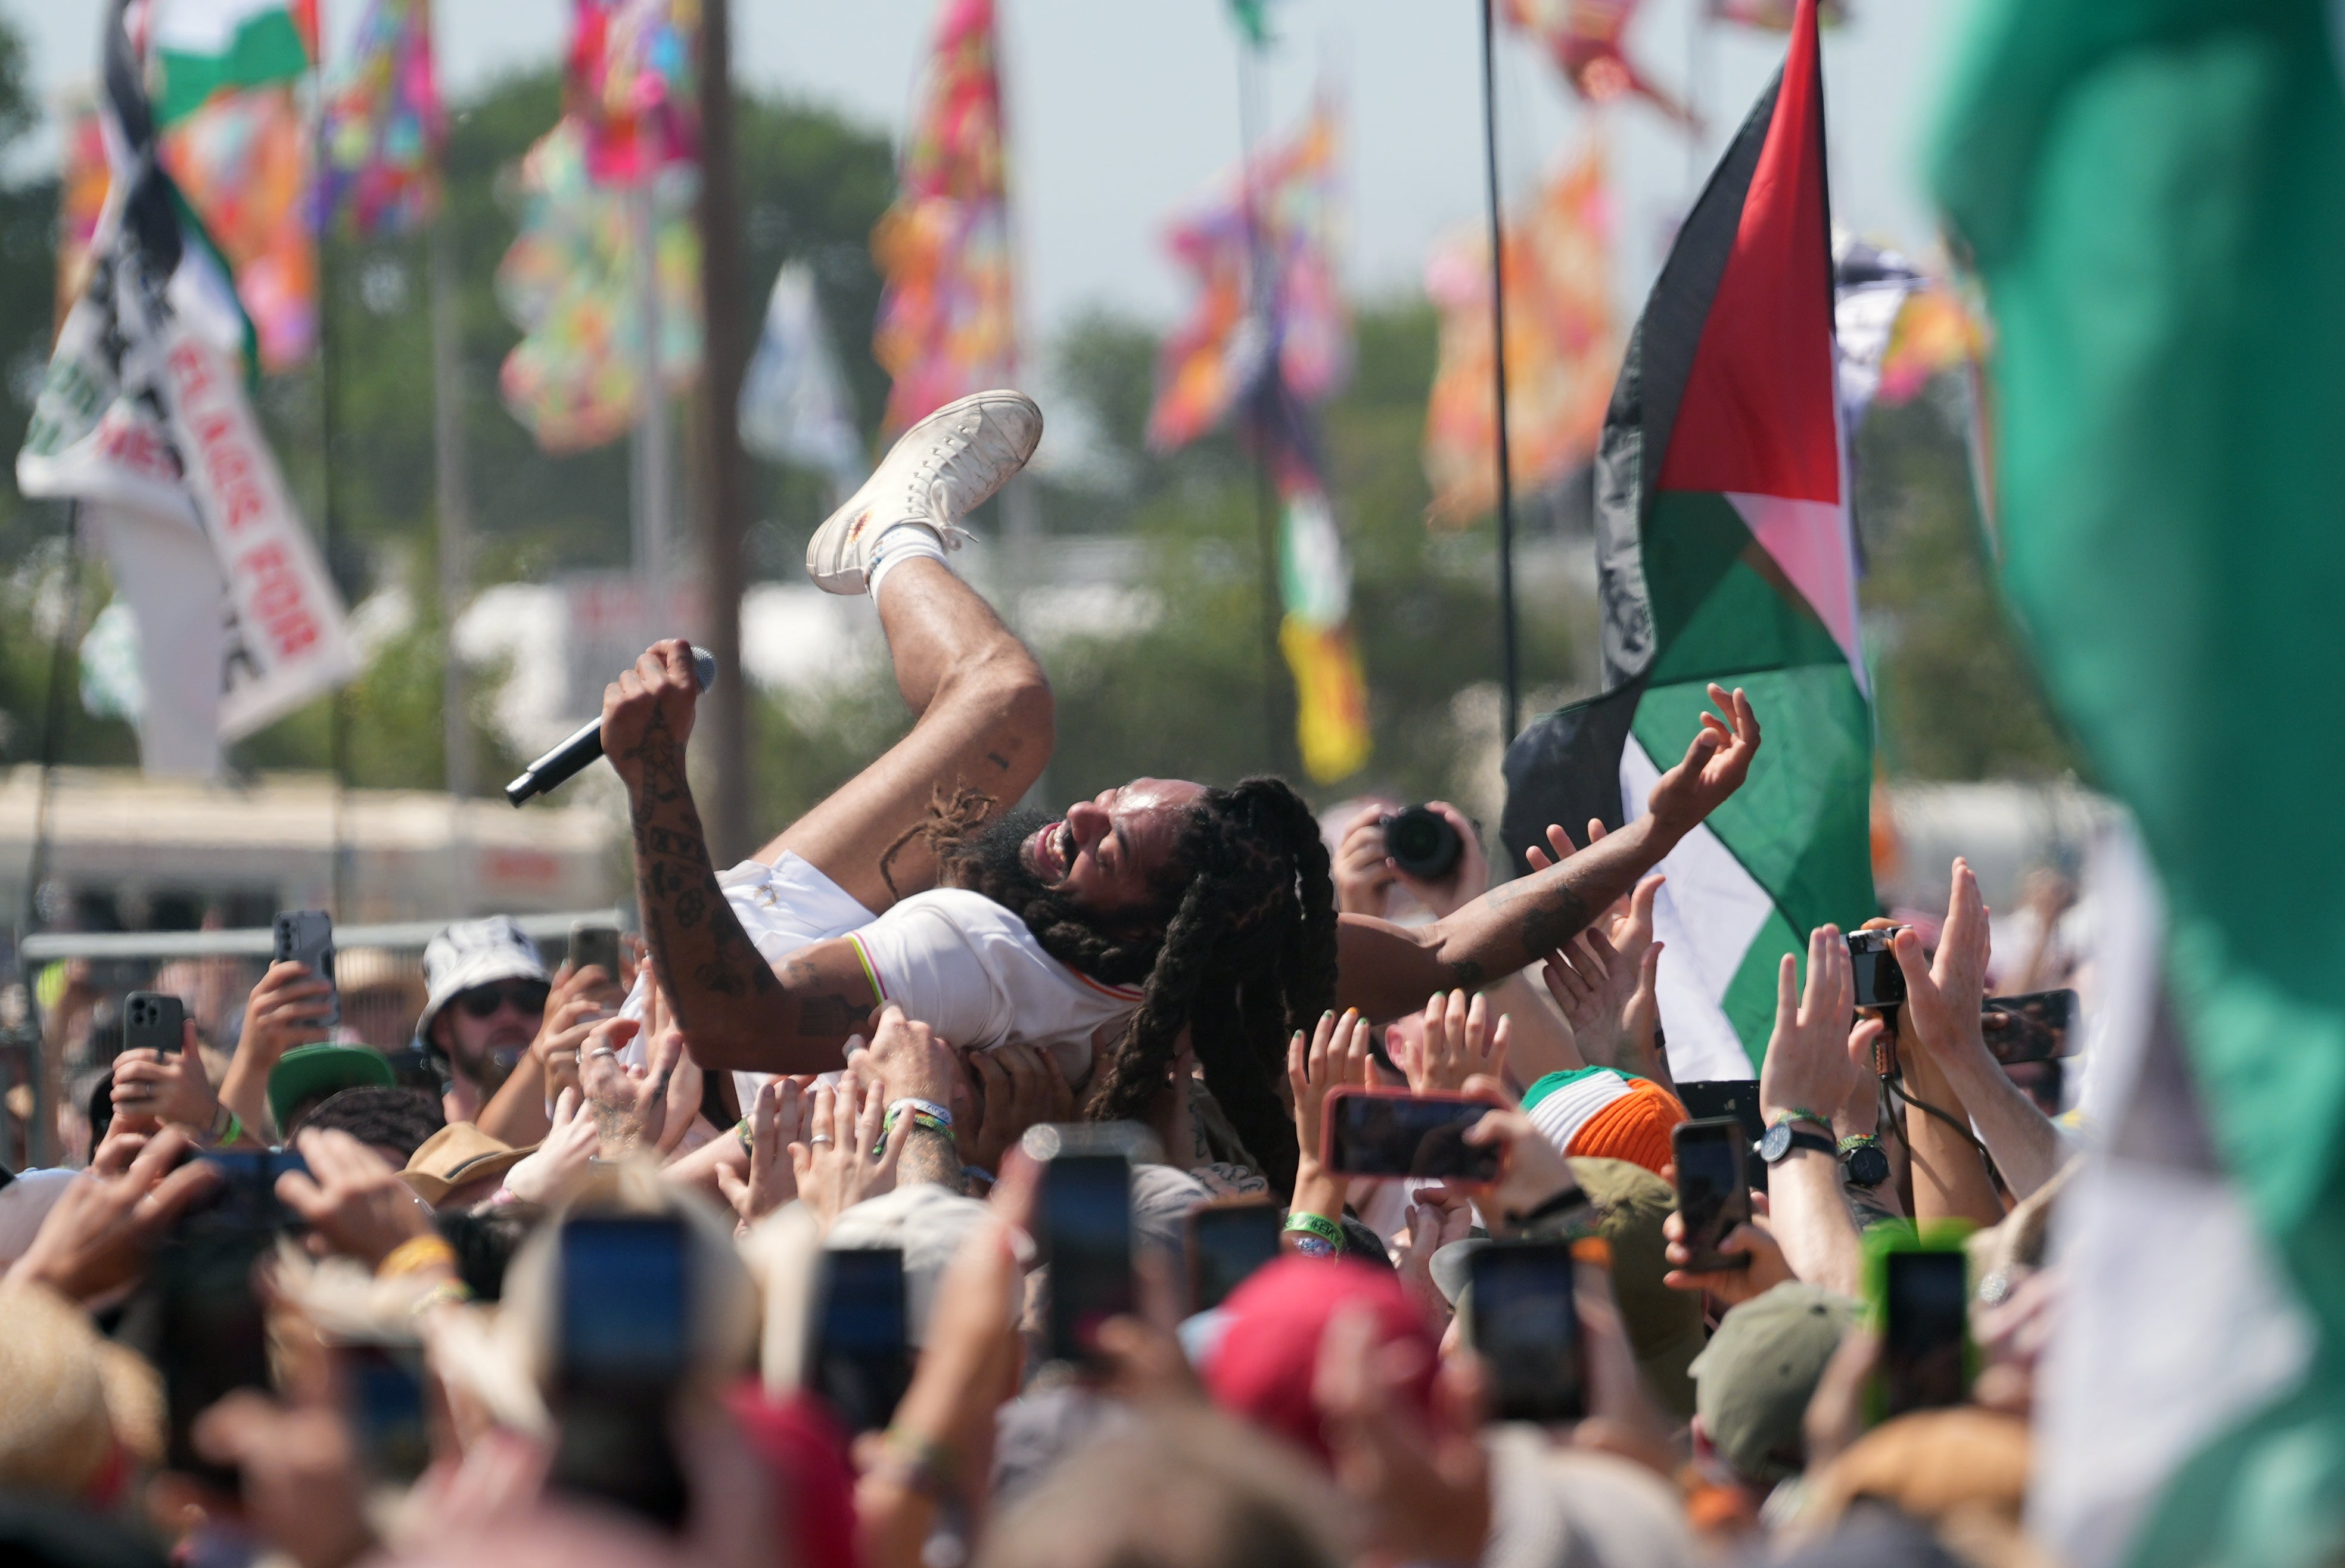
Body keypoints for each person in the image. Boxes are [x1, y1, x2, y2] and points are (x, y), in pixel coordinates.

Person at [603, 390, 1763, 1191]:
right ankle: (891, 528)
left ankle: (898, 530)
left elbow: (729, 1016)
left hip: (733, 960)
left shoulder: (969, 950)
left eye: (1104, 849)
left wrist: (660, 786)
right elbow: (1455, 948)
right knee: (1012, 711)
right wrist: (1653, 832)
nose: (1076, 818)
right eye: (1105, 803)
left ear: (1155, 932)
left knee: (1009, 699)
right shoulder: (1163, 955)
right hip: (767, 976)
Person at [413, 917, 554, 1124]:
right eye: (483, 1001)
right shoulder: (418, 1139)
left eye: (530, 998)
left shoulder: (585, 1124)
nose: (509, 1017)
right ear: (443, 1029)